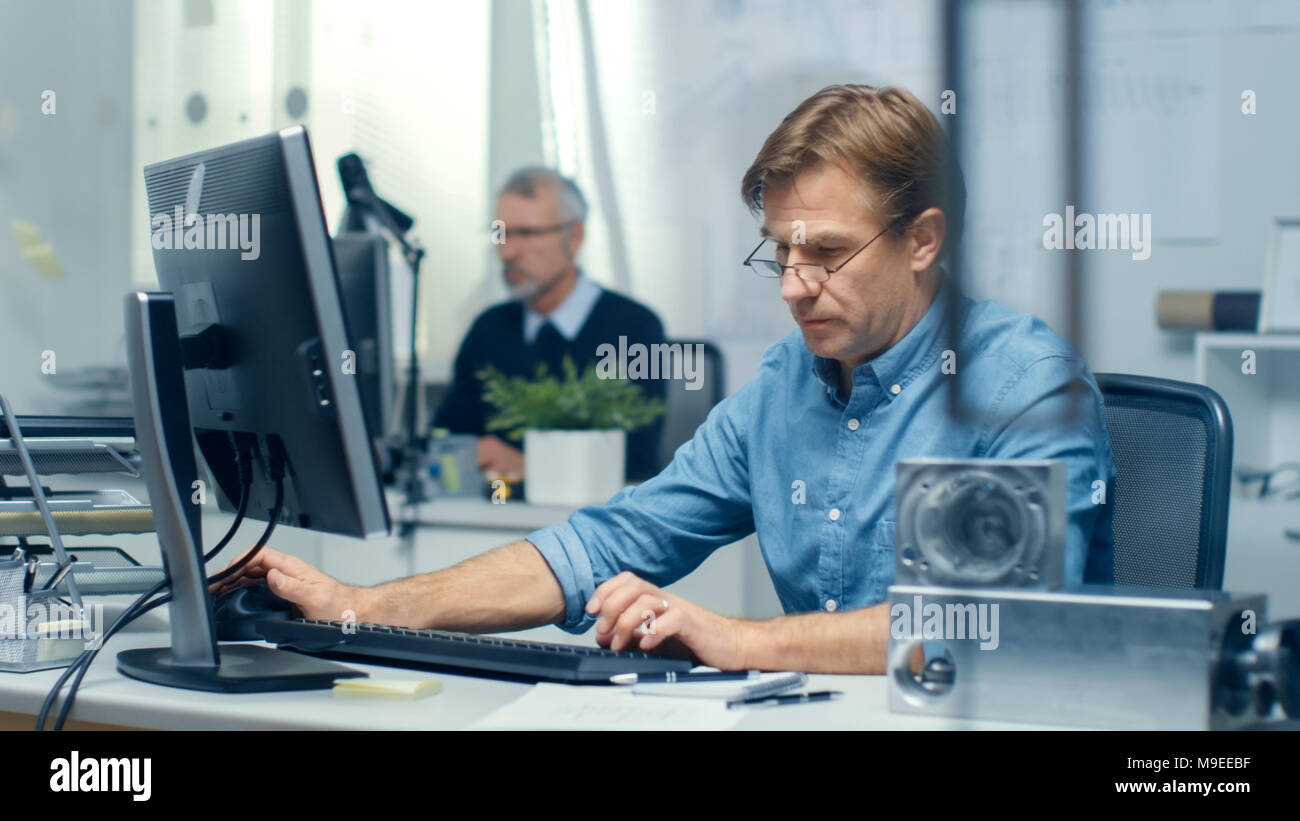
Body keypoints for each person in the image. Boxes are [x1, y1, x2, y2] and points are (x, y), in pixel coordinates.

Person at [221, 85, 1116, 674]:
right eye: (781, 253)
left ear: (924, 238)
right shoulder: (784, 385)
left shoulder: (1023, 385)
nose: (797, 285)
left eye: (830, 253)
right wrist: (361, 606)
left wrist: (740, 638)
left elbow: (993, 627)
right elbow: (600, 545)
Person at [433, 167, 666, 481]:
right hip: (491, 519)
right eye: (500, 232)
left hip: (590, 521)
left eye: (527, 233)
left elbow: (636, 462)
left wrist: (534, 469)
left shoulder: (636, 329)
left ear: (575, 237)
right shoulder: (488, 329)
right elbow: (446, 438)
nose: (508, 251)